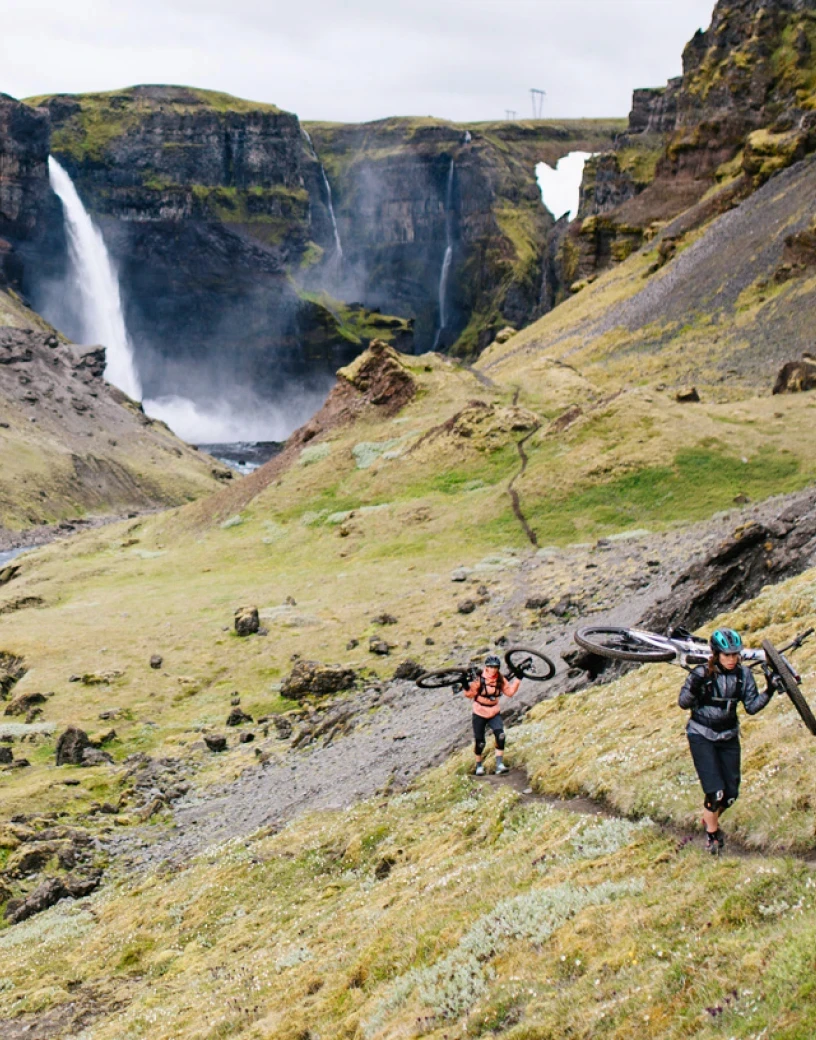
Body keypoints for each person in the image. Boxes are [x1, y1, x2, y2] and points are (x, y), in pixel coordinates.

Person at [678, 627, 773, 854]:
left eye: (735, 654)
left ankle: (708, 818)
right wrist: (693, 687)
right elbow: (683, 702)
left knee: (730, 795)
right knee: (715, 792)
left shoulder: (744, 675)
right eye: (727, 655)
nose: (732, 659)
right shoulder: (701, 673)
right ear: (716, 654)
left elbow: (751, 707)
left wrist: (769, 690)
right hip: (701, 735)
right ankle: (712, 837)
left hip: (729, 736)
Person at [463, 654, 520, 776]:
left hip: (494, 711)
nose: (493, 669)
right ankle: (479, 766)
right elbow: (469, 694)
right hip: (479, 712)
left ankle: (499, 764)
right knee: (480, 742)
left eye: (495, 667)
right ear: (486, 667)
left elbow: (509, 692)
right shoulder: (480, 679)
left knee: (501, 736)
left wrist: (518, 679)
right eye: (490, 667)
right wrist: (465, 685)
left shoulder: (500, 679)